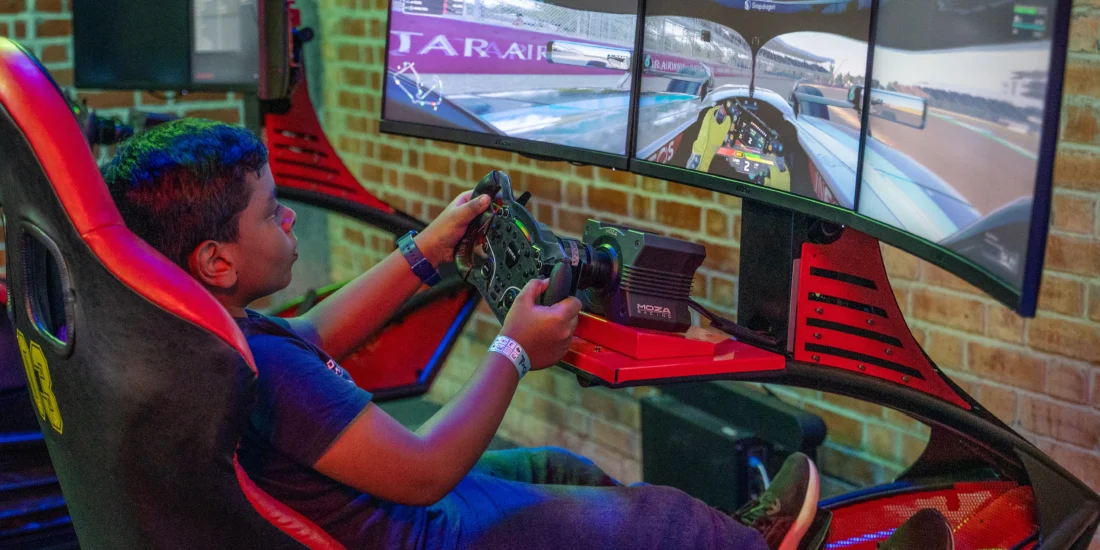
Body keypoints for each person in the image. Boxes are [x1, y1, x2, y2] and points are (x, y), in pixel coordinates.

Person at [103, 118, 954, 550]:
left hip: (398, 513)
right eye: (271, 211)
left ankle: (731, 541)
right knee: (660, 520)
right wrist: (514, 350)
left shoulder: (204, 333)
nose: (291, 218)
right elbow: (427, 468)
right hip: (430, 532)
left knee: (565, 468)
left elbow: (314, 329)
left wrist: (425, 251)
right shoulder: (261, 378)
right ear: (218, 259)